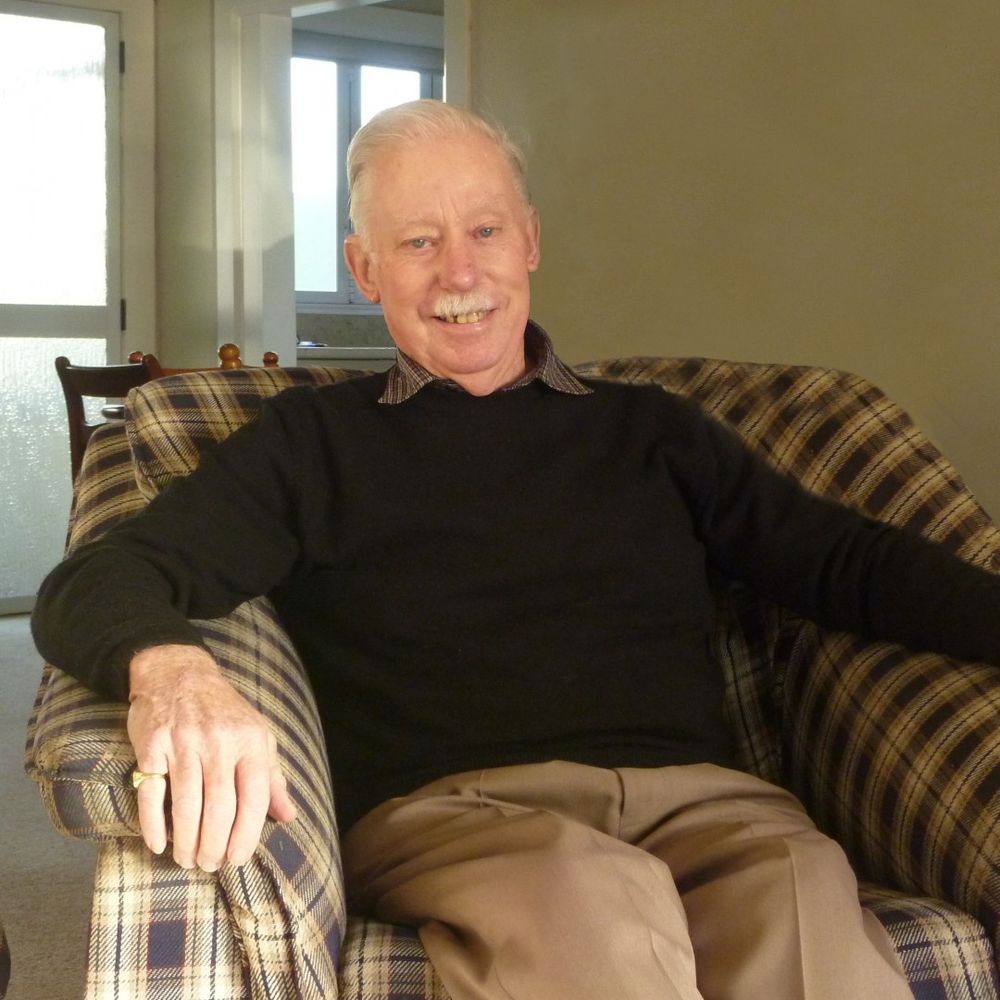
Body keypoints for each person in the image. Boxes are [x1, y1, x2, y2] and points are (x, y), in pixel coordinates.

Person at [33, 99, 1000, 1000]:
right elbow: (99, 579)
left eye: (486, 231)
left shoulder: (653, 431)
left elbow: (847, 564)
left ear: (529, 240)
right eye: (419, 242)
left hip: (710, 807)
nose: (461, 273)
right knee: (595, 903)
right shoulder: (313, 445)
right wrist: (174, 670)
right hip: (459, 816)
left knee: (802, 894)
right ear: (365, 269)